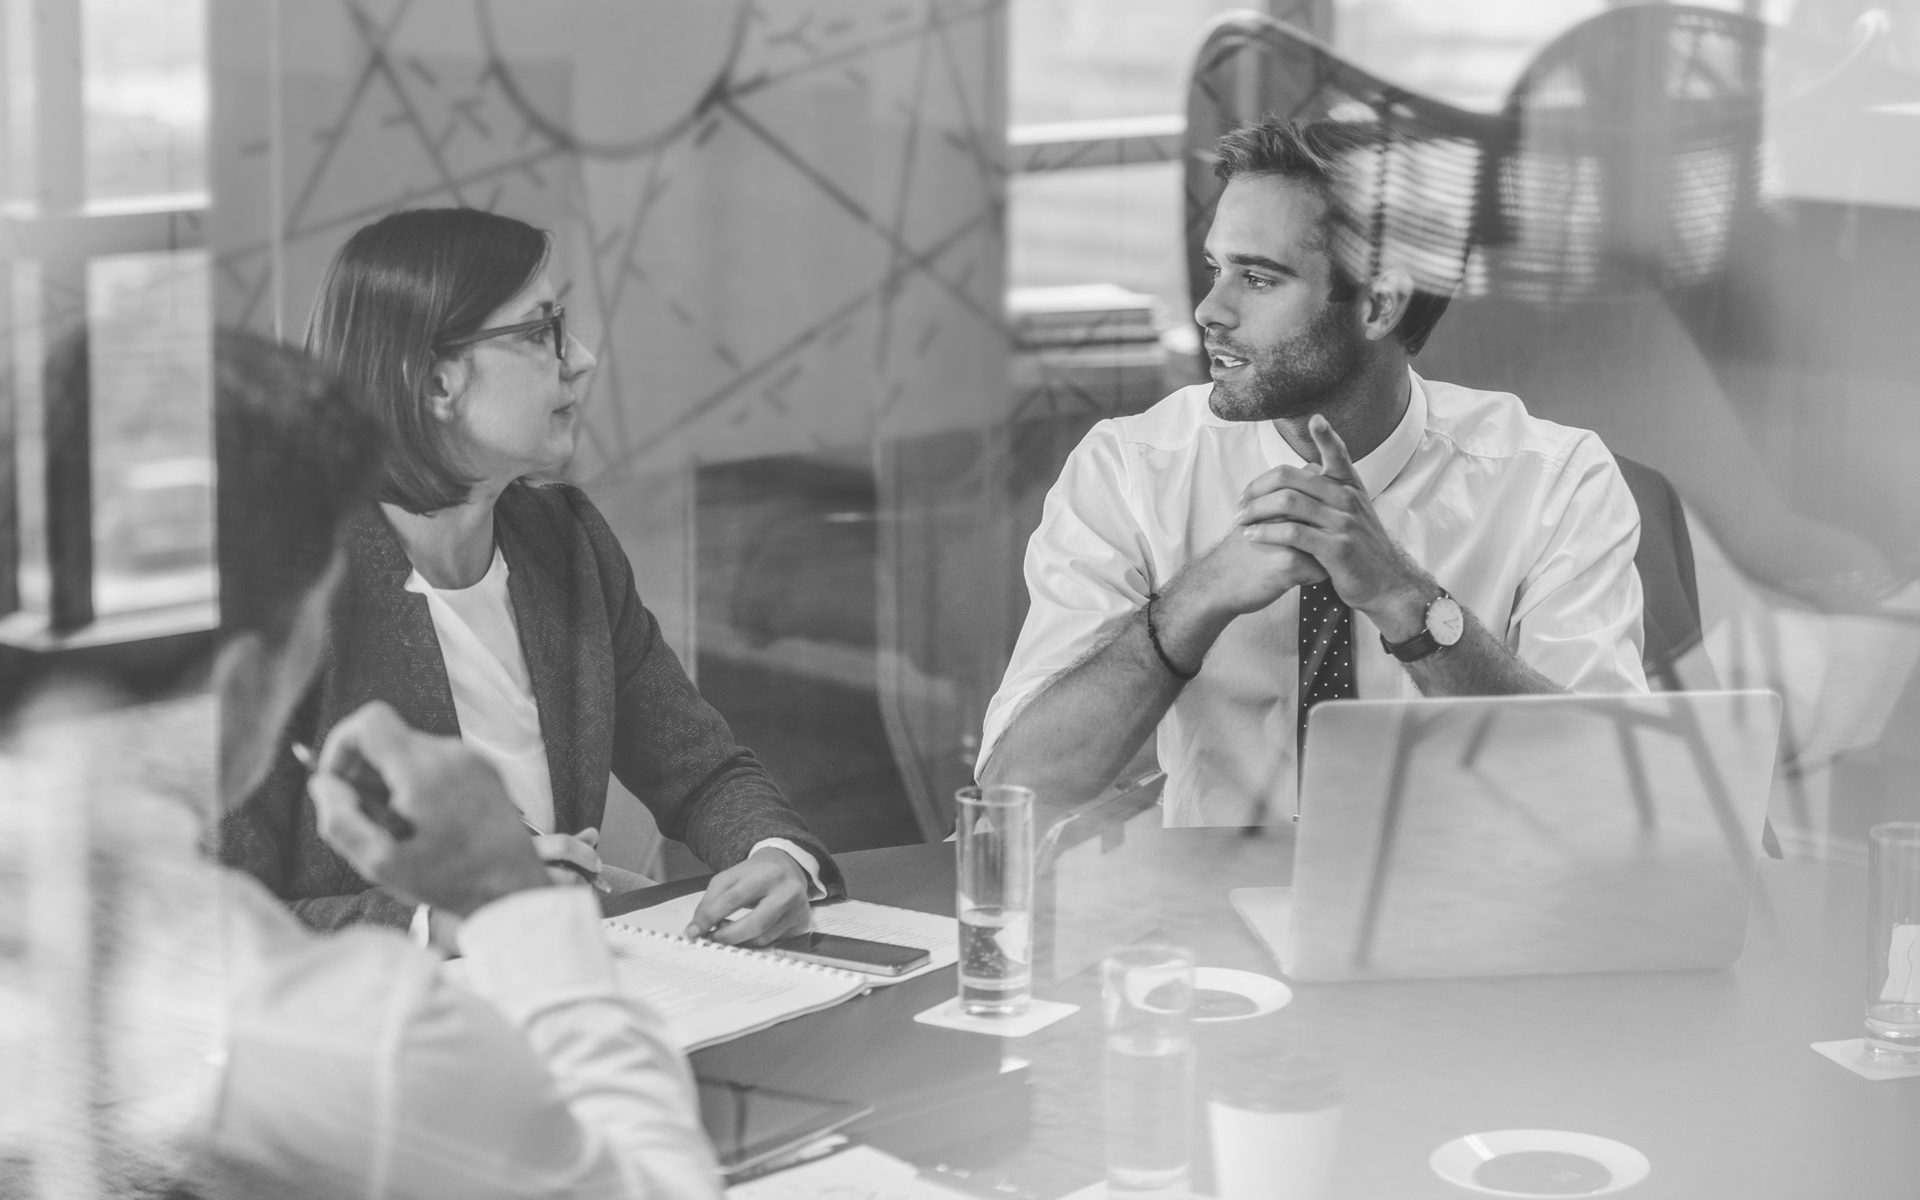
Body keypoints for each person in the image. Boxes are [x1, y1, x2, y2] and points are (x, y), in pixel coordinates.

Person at [5, 330, 722, 1197]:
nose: (579, 357)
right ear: (243, 681)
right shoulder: (335, 1036)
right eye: (316, 622)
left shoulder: (564, 541)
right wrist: (509, 902)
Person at [978, 118, 1648, 825]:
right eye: (1217, 268)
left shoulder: (1554, 480)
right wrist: (1193, 600)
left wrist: (1408, 603)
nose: (1211, 310)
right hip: (1205, 916)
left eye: (1258, 278)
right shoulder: (1131, 471)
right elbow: (1013, 796)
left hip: (1467, 912)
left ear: (1379, 305)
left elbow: (1606, 793)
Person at [219, 207, 839, 944]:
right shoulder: (288, 591)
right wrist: (442, 919)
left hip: (575, 982)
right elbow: (222, 920)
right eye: (540, 331)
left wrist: (777, 857)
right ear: (436, 382)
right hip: (383, 1026)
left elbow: (702, 771)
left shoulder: (564, 541)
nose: (580, 357)